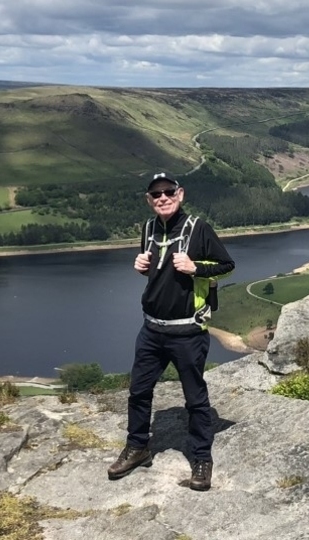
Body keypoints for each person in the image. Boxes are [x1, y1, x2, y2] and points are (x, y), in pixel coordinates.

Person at [107, 172, 235, 492]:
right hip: (151, 329)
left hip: (188, 331)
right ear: (149, 201)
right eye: (156, 194)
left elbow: (227, 264)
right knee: (138, 391)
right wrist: (141, 268)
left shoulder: (198, 228)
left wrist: (196, 268)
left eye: (168, 192)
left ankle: (202, 459)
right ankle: (138, 448)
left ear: (180, 195)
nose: (162, 198)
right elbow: (158, 275)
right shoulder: (149, 228)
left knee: (195, 399)